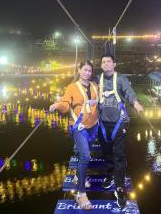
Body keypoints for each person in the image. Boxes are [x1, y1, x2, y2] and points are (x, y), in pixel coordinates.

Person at [95, 53, 143, 208]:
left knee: (119, 156)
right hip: (103, 124)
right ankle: (109, 176)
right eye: (104, 62)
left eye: (109, 61)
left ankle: (120, 187)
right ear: (101, 65)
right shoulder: (97, 79)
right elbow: (86, 90)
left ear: (114, 64)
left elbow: (129, 91)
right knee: (107, 152)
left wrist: (135, 104)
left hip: (119, 123)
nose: (106, 64)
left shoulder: (120, 79)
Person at [50, 60, 98, 210]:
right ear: (79, 70)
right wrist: (58, 105)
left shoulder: (95, 86)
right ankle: (81, 193)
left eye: (89, 71)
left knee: (85, 155)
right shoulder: (72, 87)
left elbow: (99, 103)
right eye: (85, 70)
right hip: (79, 126)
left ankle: (78, 176)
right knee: (85, 156)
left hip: (93, 126)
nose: (87, 73)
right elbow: (65, 105)